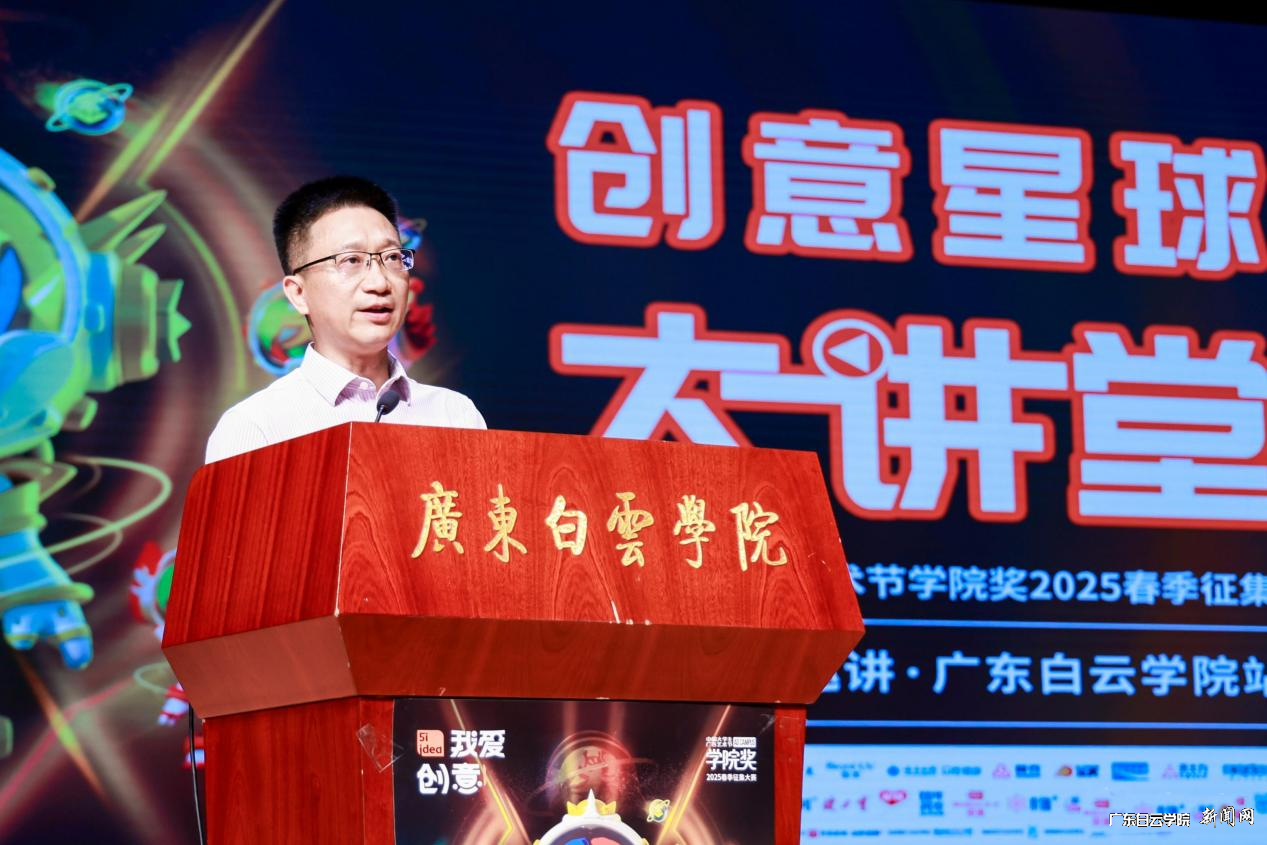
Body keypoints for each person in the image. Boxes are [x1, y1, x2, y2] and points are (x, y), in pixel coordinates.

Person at [205, 176, 484, 463]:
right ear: (298, 293)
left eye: (392, 258)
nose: (379, 282)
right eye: (351, 260)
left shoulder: (454, 416)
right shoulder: (256, 428)